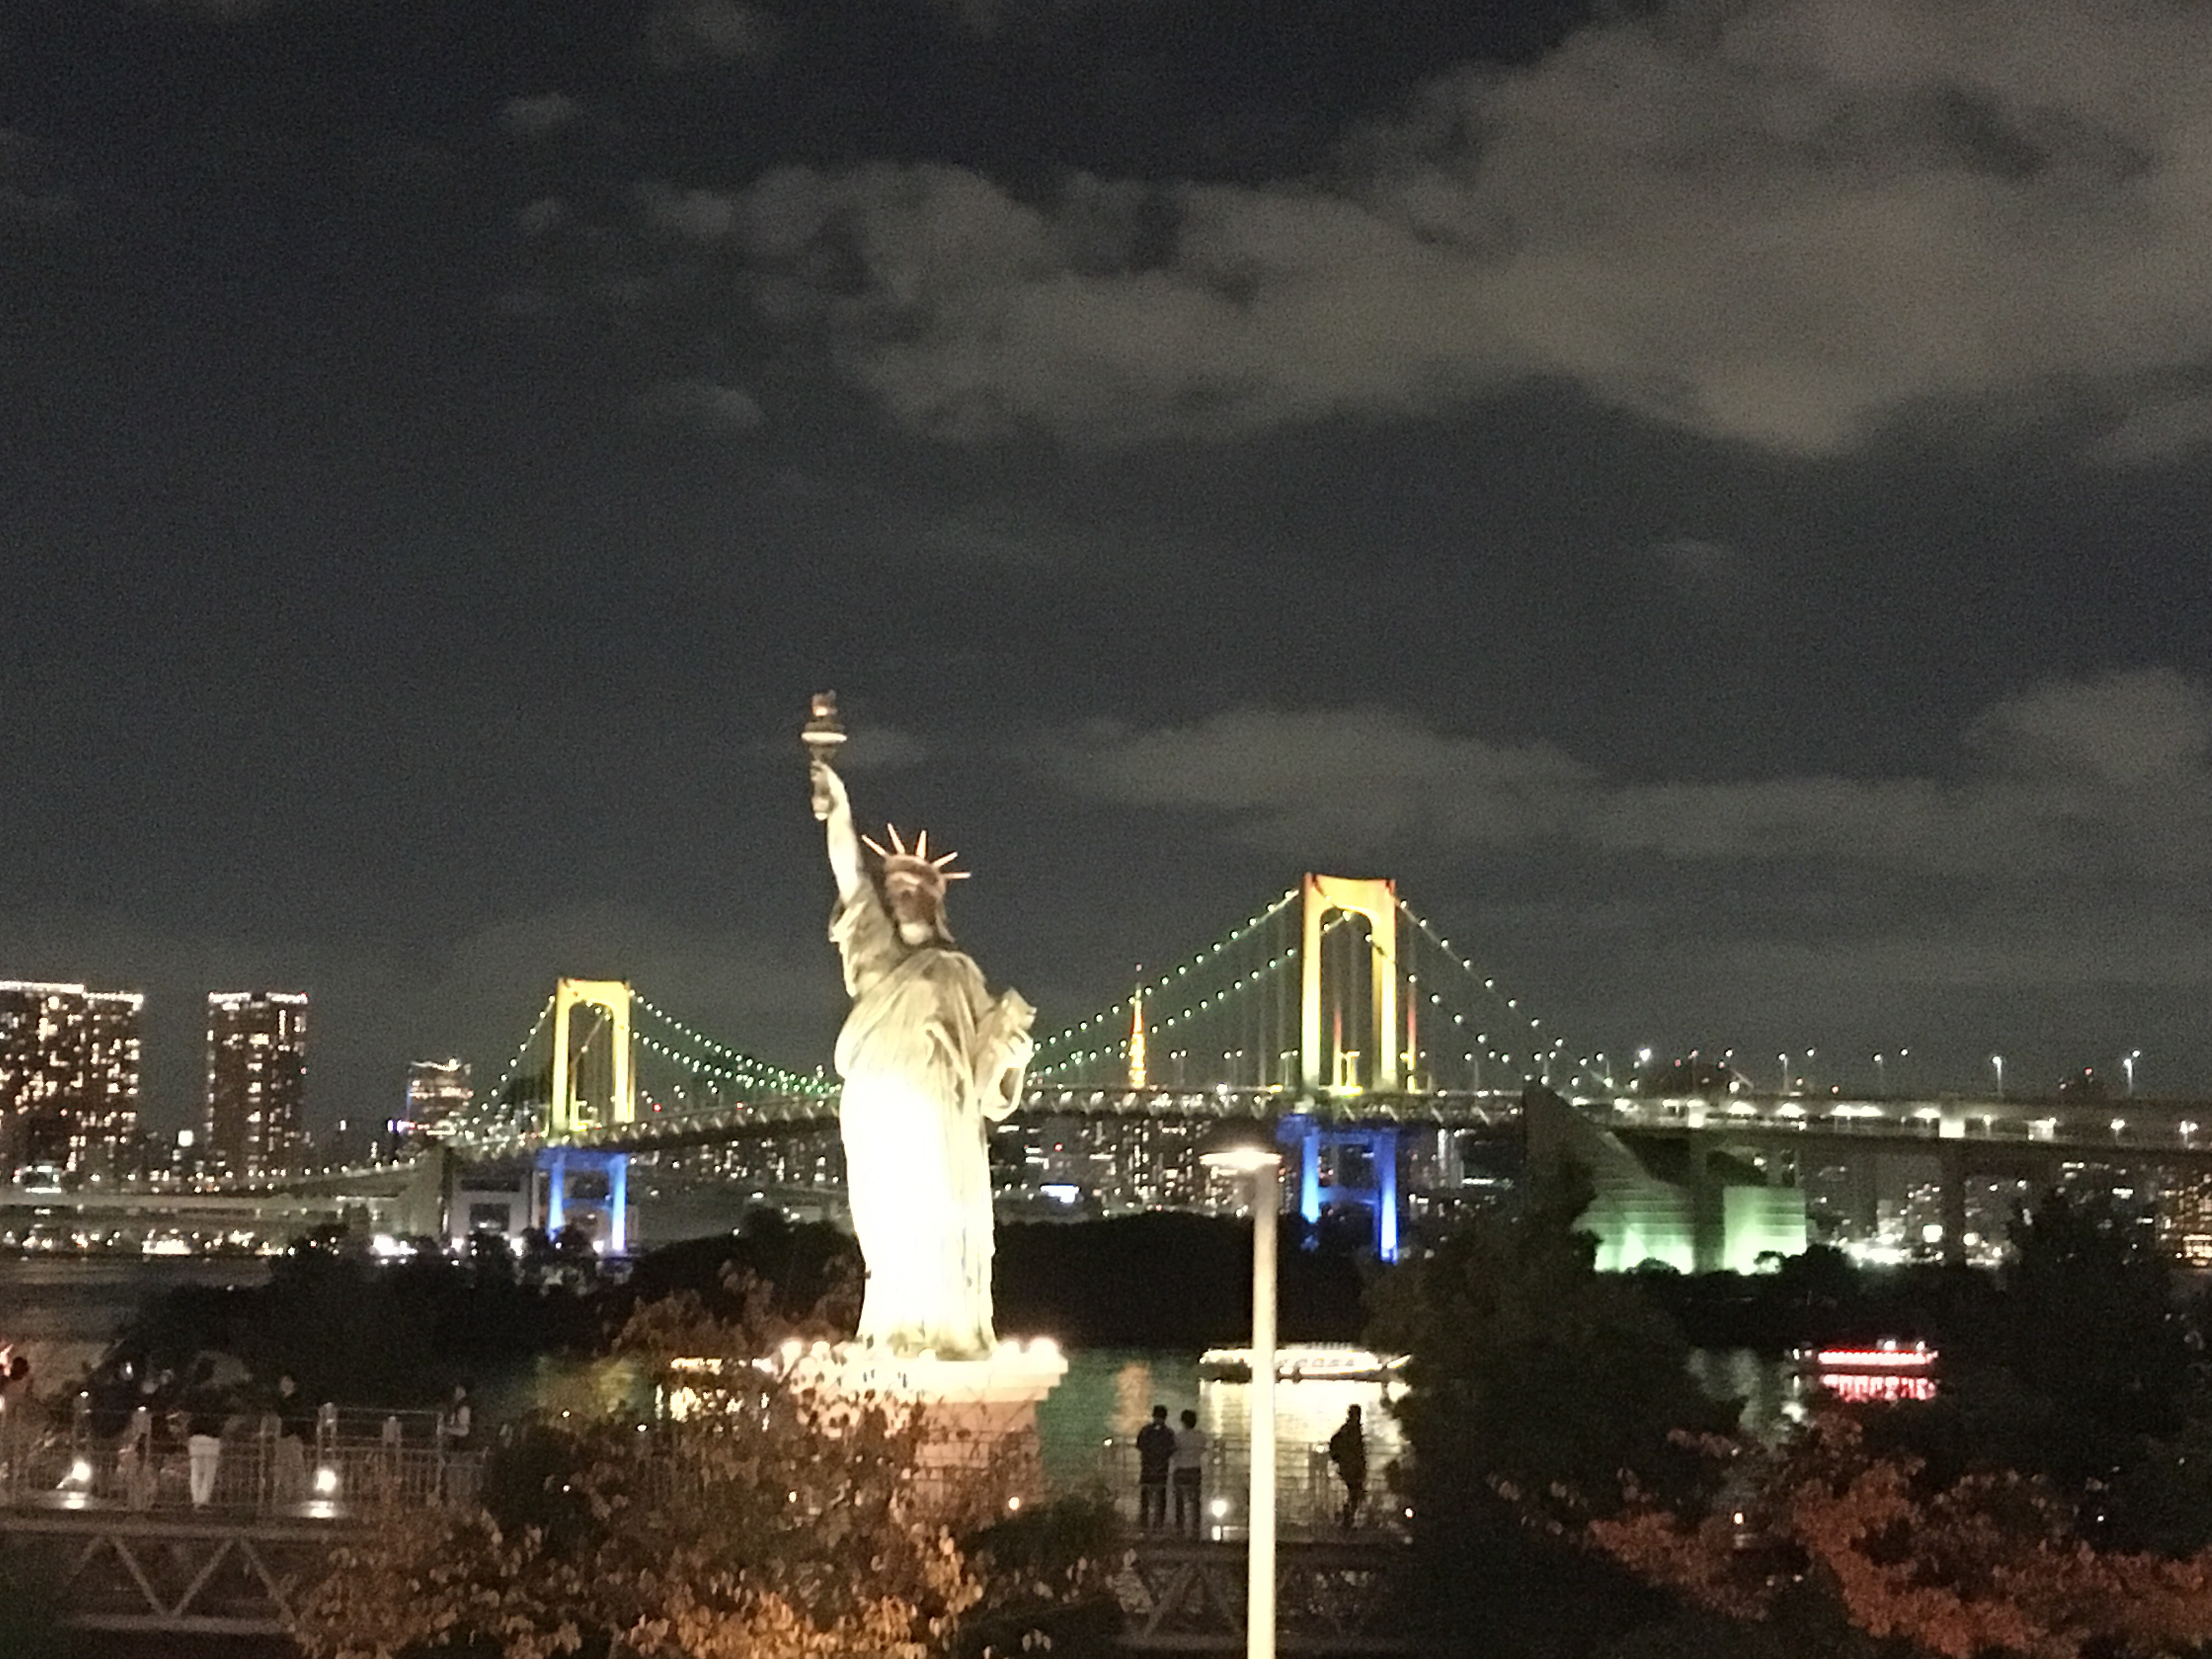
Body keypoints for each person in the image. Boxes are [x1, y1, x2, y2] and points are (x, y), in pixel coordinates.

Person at [814, 758, 1035, 1358]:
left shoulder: (958, 971)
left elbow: (989, 1068)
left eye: (914, 892)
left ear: (935, 903)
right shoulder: (874, 950)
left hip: (940, 1109)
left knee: (942, 1210)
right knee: (887, 1219)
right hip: (877, 1106)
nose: (902, 899)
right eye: (896, 892)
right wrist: (839, 809)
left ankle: (945, 1327)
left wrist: (1012, 1053)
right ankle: (896, 1327)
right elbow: (849, 874)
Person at [1135, 1404, 1175, 1531]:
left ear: (1153, 1416)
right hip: (1162, 1468)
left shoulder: (1145, 1431)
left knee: (1146, 1496)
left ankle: (1144, 1522)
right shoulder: (1169, 1433)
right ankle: (1159, 1523)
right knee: (1161, 1496)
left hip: (1147, 1467)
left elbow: (1140, 1446)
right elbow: (1171, 1450)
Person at [1328, 1404, 1367, 1531]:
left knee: (1354, 1493)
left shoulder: (1349, 1430)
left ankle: (1348, 1518)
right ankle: (1348, 1518)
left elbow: (1335, 1443)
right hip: (1352, 1467)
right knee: (1355, 1493)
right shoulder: (1351, 1430)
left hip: (1351, 1466)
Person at [1171, 1408, 1207, 1537]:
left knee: (1180, 1499)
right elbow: (1202, 1450)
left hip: (1181, 1469)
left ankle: (1180, 1525)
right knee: (1195, 1499)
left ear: (1183, 1422)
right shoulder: (1201, 1437)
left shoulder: (1179, 1437)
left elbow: (1174, 1453)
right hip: (1195, 1468)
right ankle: (1196, 1525)